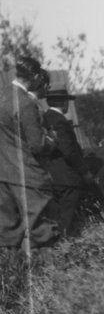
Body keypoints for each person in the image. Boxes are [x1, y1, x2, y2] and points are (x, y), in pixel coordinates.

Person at [0, 56, 60, 250]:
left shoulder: (3, 95)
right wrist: (52, 141)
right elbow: (37, 145)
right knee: (42, 229)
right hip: (27, 173)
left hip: (3, 174)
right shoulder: (26, 103)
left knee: (7, 231)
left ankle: (11, 276)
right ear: (34, 76)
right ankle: (49, 276)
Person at [40, 70, 93, 236]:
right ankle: (63, 249)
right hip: (67, 178)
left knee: (55, 217)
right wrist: (85, 172)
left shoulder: (44, 117)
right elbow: (69, 151)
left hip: (51, 175)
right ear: (63, 102)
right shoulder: (61, 122)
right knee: (66, 220)